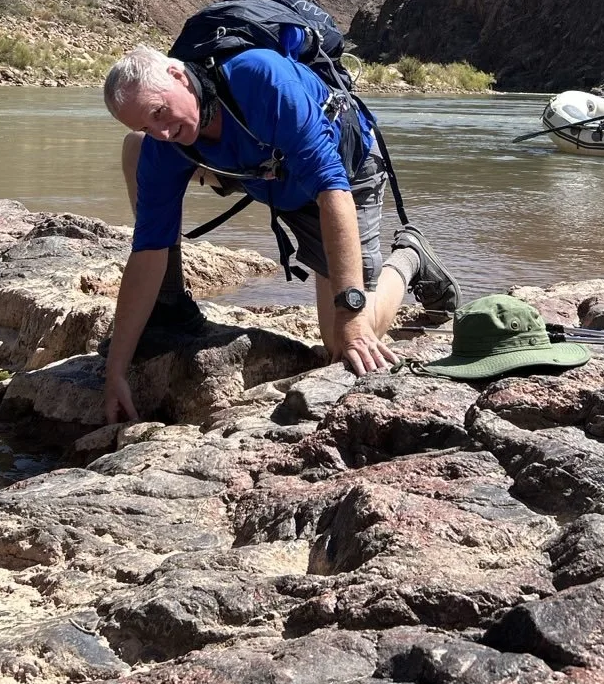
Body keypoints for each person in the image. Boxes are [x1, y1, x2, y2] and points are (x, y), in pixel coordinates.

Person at [100, 43, 459, 423]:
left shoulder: (263, 81)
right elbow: (147, 250)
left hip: (345, 175)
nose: (162, 131)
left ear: (178, 75)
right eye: (146, 124)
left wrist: (350, 313)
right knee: (137, 150)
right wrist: (116, 370)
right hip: (263, 173)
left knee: (343, 343)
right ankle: (167, 303)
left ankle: (410, 257)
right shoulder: (164, 140)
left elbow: (333, 192)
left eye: (159, 112)